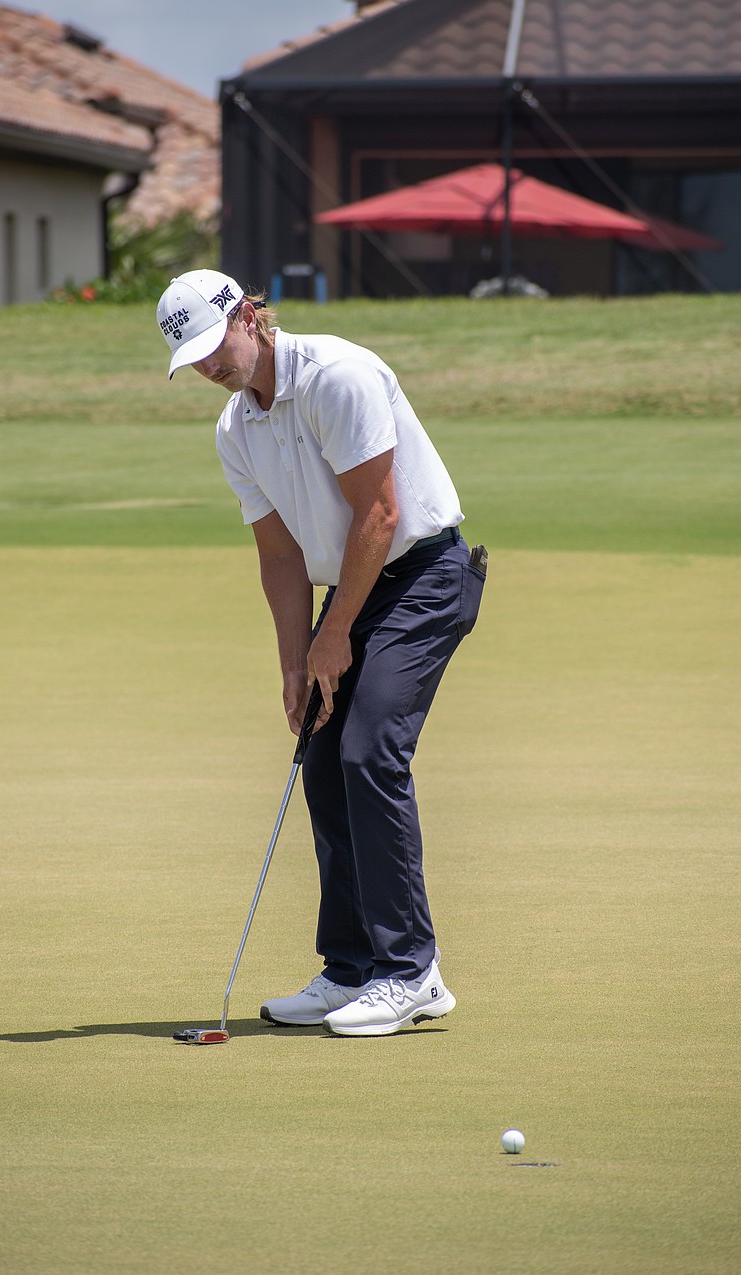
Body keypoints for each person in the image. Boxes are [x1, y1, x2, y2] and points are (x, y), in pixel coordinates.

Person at [156, 269, 486, 1037]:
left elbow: (380, 513)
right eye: (194, 360)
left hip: (425, 576)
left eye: (215, 344)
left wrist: (335, 631)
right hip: (351, 588)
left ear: (248, 315)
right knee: (324, 751)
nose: (212, 366)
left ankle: (411, 971)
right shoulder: (235, 429)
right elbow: (278, 555)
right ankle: (351, 968)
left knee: (369, 751)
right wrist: (295, 662)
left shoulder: (338, 375)